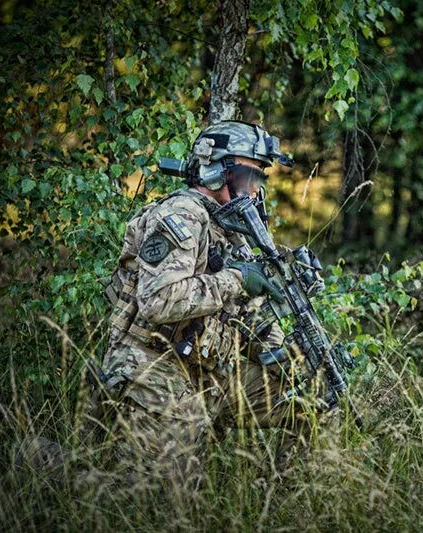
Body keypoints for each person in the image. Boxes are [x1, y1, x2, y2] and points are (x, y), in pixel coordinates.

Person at [97, 120, 310, 485]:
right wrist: (237, 280)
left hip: (207, 369)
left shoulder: (233, 230)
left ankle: (271, 502)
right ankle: (47, 463)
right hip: (150, 362)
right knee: (158, 497)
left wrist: (278, 354)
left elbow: (248, 317)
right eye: (247, 179)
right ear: (217, 173)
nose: (254, 192)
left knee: (309, 404)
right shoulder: (180, 215)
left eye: (259, 182)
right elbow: (158, 301)